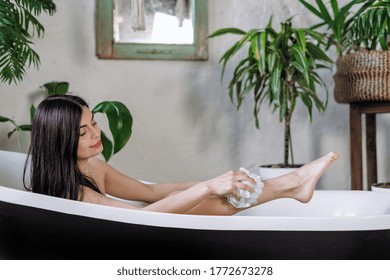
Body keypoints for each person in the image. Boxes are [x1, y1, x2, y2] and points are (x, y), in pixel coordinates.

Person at [23, 94, 340, 215]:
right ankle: (294, 183)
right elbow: (141, 220)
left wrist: (207, 181)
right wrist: (208, 188)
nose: (95, 134)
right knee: (216, 202)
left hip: (133, 230)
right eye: (82, 132)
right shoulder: (74, 193)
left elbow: (150, 191)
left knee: (215, 196)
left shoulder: (93, 165)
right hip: (121, 246)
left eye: (94, 123)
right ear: (60, 139)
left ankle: (294, 184)